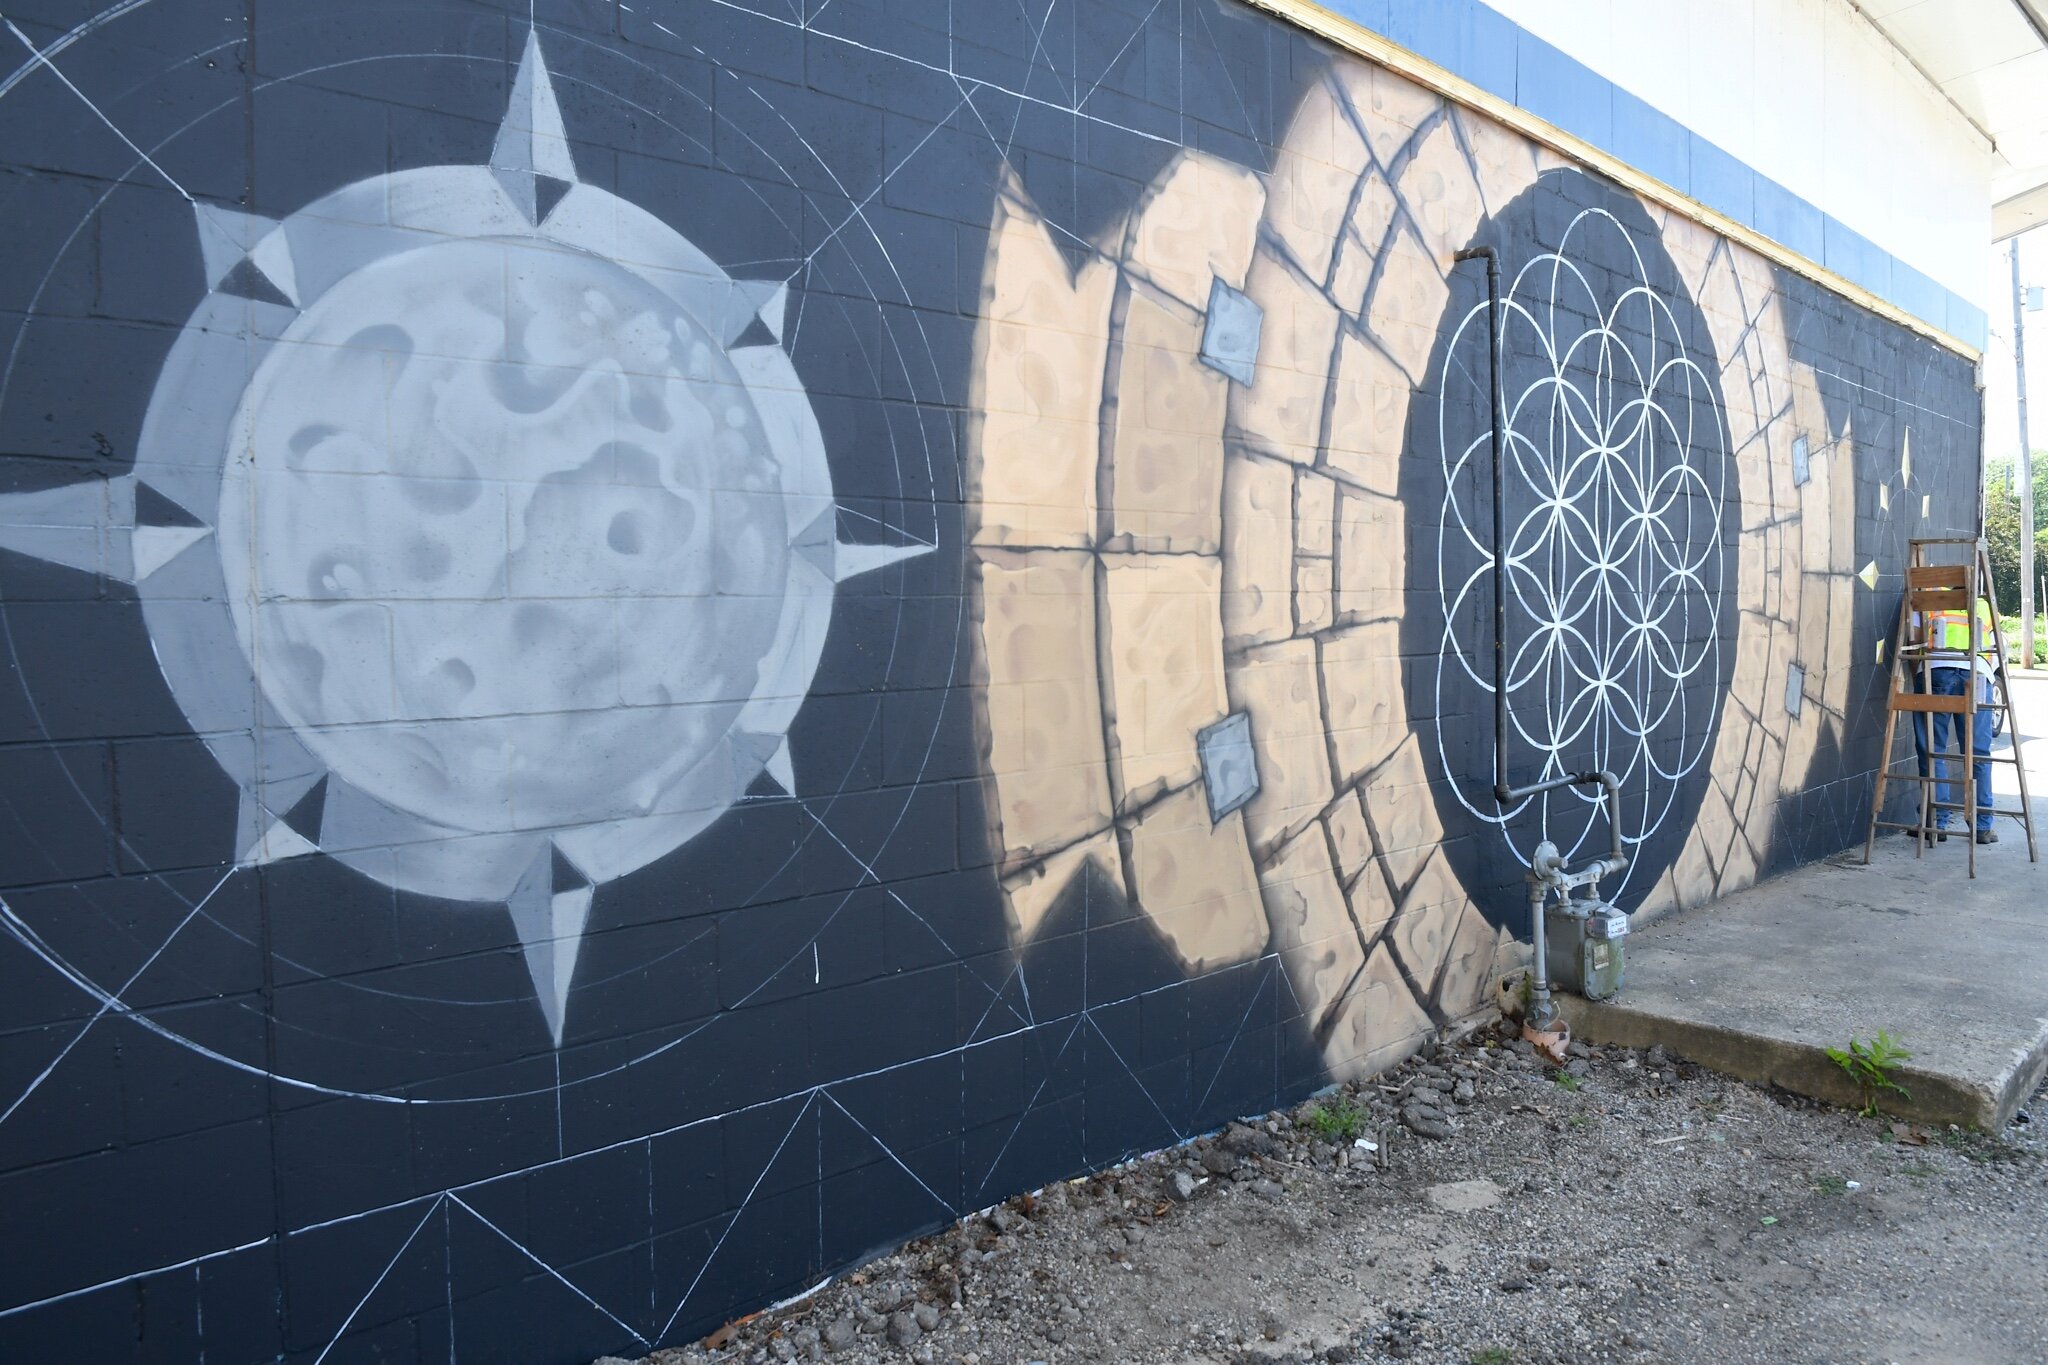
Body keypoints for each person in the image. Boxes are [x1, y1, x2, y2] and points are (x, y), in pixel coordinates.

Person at [1908, 591, 2000, 844]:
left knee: (1932, 749)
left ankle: (1936, 822)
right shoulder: (1983, 604)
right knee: (1978, 752)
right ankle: (1981, 826)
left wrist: (1920, 676)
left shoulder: (1926, 598)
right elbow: (1995, 648)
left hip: (1937, 671)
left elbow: (1914, 642)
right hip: (1979, 674)